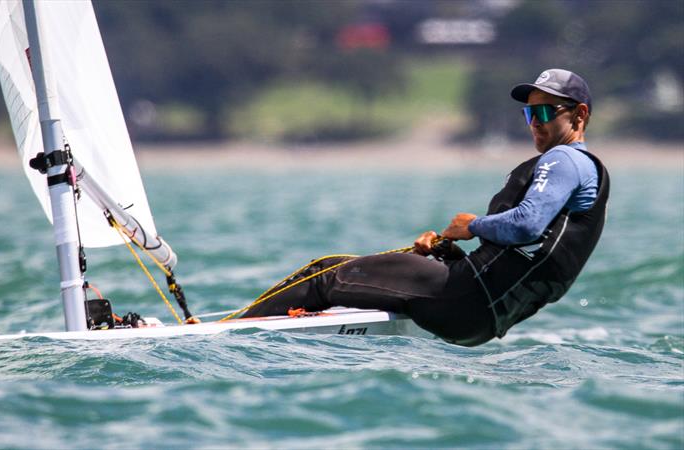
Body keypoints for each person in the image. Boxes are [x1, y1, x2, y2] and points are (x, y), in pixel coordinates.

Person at [242, 68, 610, 347]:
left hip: (466, 299)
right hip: (483, 321)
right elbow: (524, 258)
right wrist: (448, 253)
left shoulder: (564, 160)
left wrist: (473, 225)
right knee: (362, 280)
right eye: (530, 116)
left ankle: (233, 336)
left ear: (579, 115)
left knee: (323, 273)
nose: (535, 125)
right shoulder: (583, 180)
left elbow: (527, 225)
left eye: (545, 114)